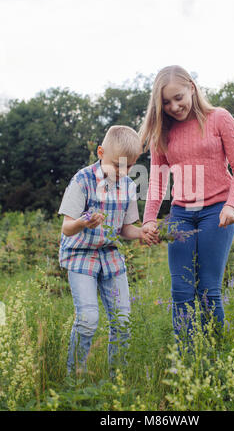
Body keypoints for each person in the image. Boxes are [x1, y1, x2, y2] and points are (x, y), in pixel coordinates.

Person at [139, 65, 234, 346]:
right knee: (181, 289)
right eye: (166, 102)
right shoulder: (162, 133)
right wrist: (149, 220)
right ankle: (186, 359)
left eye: (178, 97)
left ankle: (216, 355)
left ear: (191, 86)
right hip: (181, 214)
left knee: (208, 289)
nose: (174, 106)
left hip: (217, 211)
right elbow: (157, 180)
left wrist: (232, 205)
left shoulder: (219, 119)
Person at [58, 125, 157, 377]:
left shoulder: (127, 186)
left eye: (128, 167)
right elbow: (67, 228)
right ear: (100, 153)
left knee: (123, 322)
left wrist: (142, 232)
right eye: (116, 165)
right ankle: (75, 375)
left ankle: (117, 379)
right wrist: (83, 221)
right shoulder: (82, 180)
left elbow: (126, 229)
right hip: (81, 255)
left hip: (110, 255)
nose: (121, 173)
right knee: (89, 319)